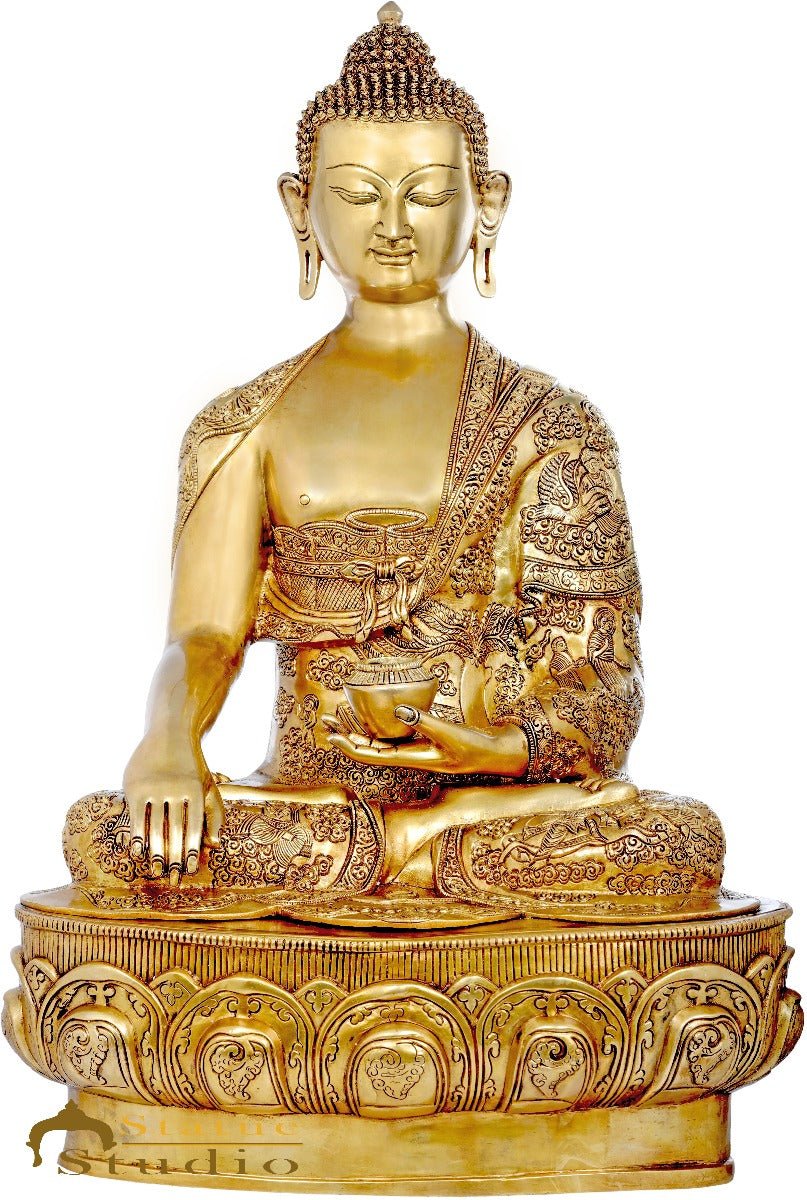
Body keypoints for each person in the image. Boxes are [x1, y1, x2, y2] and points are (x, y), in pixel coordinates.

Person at [63, 8, 724, 921]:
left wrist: (492, 750)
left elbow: (599, 681)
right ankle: (405, 853)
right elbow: (204, 637)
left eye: (424, 193)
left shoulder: (549, 425)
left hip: (497, 797)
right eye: (358, 193)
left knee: (679, 840)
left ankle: (410, 844)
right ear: (300, 205)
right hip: (309, 802)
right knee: (103, 834)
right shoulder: (243, 427)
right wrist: (167, 743)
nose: (391, 225)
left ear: (486, 201)